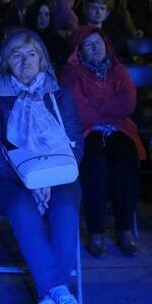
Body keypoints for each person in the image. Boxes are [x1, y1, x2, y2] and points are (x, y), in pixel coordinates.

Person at [0, 30, 87, 304]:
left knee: (64, 212)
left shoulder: (60, 95)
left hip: (59, 175)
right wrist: (29, 179)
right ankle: (61, 293)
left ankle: (48, 299)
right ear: (5, 63)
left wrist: (48, 179)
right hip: (9, 176)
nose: (25, 61)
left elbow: (76, 142)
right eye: (16, 55)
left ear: (42, 60)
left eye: (31, 54)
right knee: (23, 210)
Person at [60, 25, 145, 257]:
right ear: (79, 50)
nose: (96, 48)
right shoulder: (70, 74)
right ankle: (96, 231)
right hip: (86, 131)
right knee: (94, 164)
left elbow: (128, 103)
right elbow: (78, 110)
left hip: (119, 129)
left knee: (125, 163)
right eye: (89, 44)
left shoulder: (118, 70)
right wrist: (108, 109)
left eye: (99, 43)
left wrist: (96, 105)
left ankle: (125, 229)